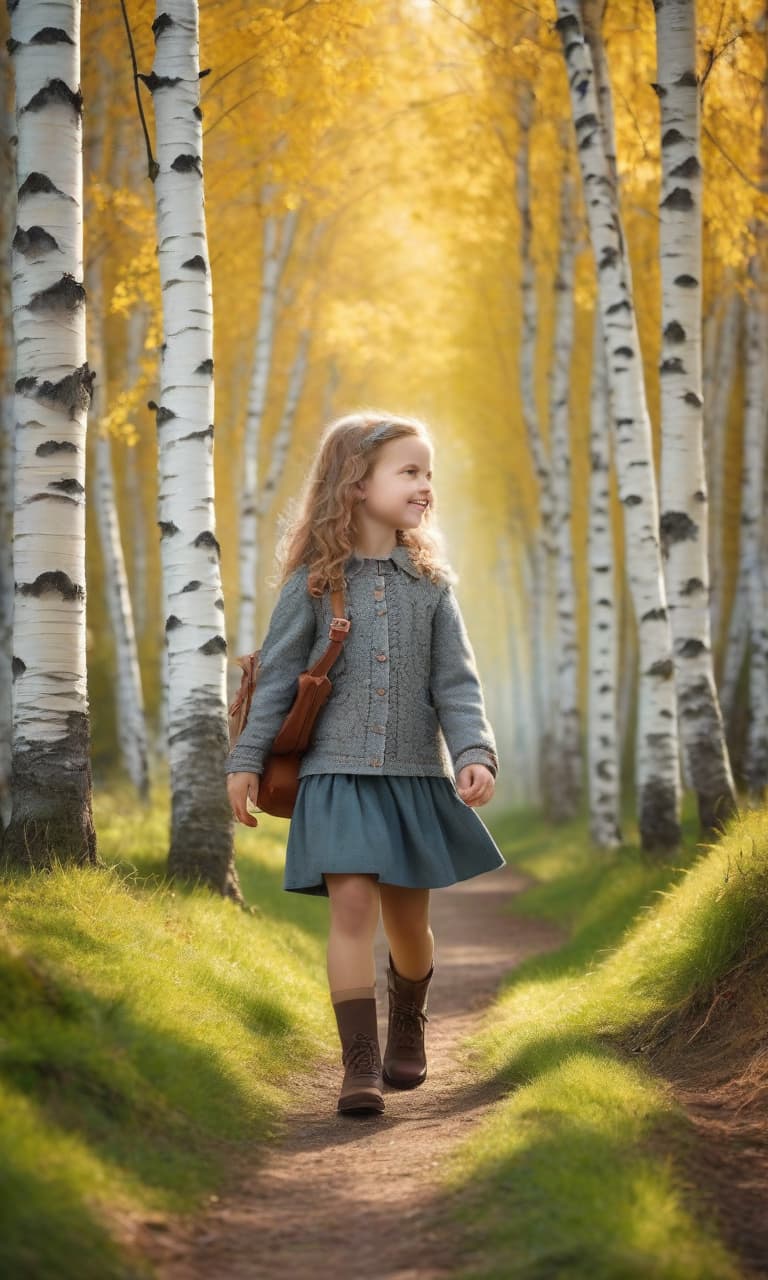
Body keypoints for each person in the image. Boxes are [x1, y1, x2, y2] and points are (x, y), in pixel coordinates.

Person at [226, 411, 506, 1117]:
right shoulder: (313, 584)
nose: (424, 486)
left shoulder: (431, 587)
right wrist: (245, 761)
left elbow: (457, 685)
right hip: (334, 775)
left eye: (428, 474)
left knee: (408, 922)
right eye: (409, 472)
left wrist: (473, 753)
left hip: (413, 776)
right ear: (356, 483)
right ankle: (358, 1066)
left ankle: (408, 1017)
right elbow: (280, 678)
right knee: (351, 908)